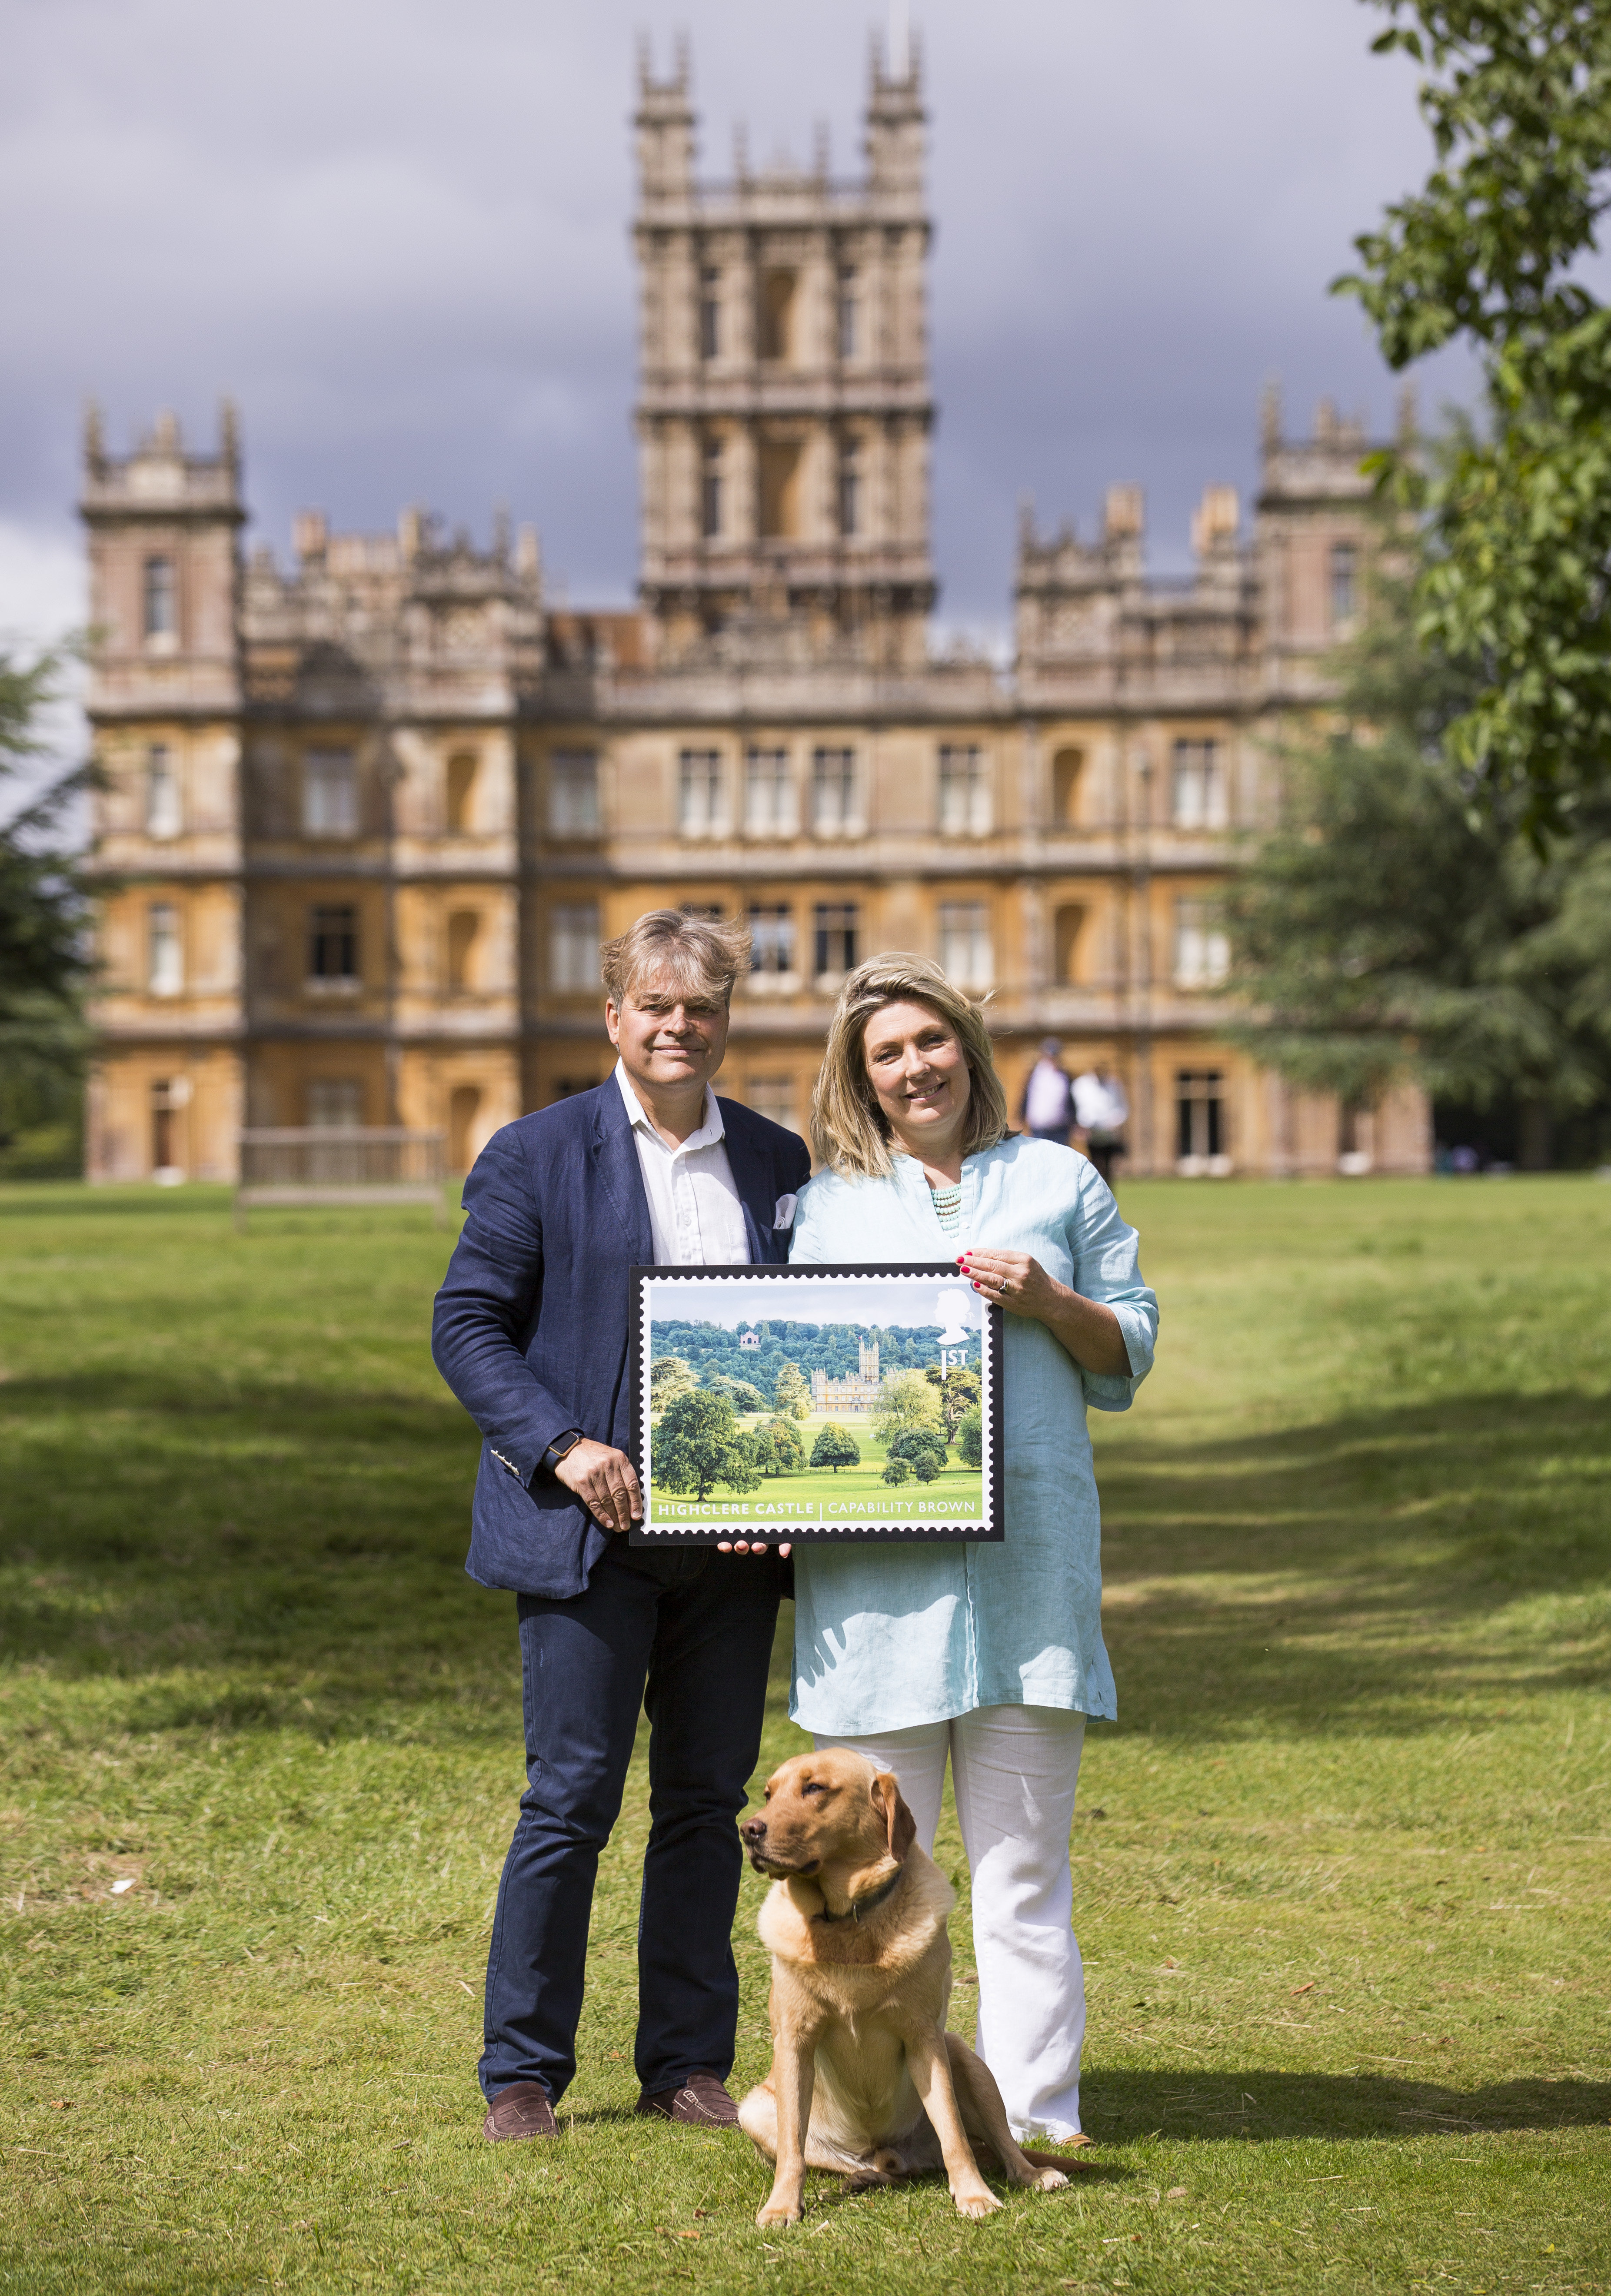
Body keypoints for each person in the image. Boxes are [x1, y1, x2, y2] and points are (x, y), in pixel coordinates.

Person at [431, 910, 811, 2144]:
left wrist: (788, 1495)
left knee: (705, 1803)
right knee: (572, 1798)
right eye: (653, 1004)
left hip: (730, 1550)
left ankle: (688, 2062)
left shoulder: (776, 1160)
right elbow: (468, 1325)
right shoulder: (537, 1153)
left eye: (698, 1007)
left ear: (723, 1022)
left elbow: (804, 1342)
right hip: (585, 1532)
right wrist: (563, 1442)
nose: (675, 1025)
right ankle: (523, 2072)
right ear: (614, 1017)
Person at [785, 953, 1157, 2143]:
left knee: (1020, 1876)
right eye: (886, 1053)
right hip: (874, 1587)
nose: (914, 1068)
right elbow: (787, 1385)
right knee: (866, 1885)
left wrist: (1050, 1299)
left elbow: (1128, 1349)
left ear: (969, 1051)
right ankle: (882, 2122)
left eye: (930, 1042)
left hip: (1027, 1579)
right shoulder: (830, 1203)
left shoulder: (1059, 1178)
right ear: (862, 1077)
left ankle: (1036, 2119)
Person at [1072, 1066, 1129, 1185]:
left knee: (1108, 1165)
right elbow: (1079, 1107)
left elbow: (1122, 1108)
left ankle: (1108, 1191)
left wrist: (1116, 1122)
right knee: (1095, 1163)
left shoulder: (1114, 1085)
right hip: (1092, 1132)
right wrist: (1081, 1125)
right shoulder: (1082, 1085)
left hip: (1110, 1132)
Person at [1018, 1037, 1076, 1146]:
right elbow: (1026, 1097)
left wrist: (1075, 1122)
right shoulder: (1034, 1075)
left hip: (1061, 1128)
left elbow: (1071, 1100)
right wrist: (1020, 1118)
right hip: (1039, 1127)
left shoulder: (1065, 1076)